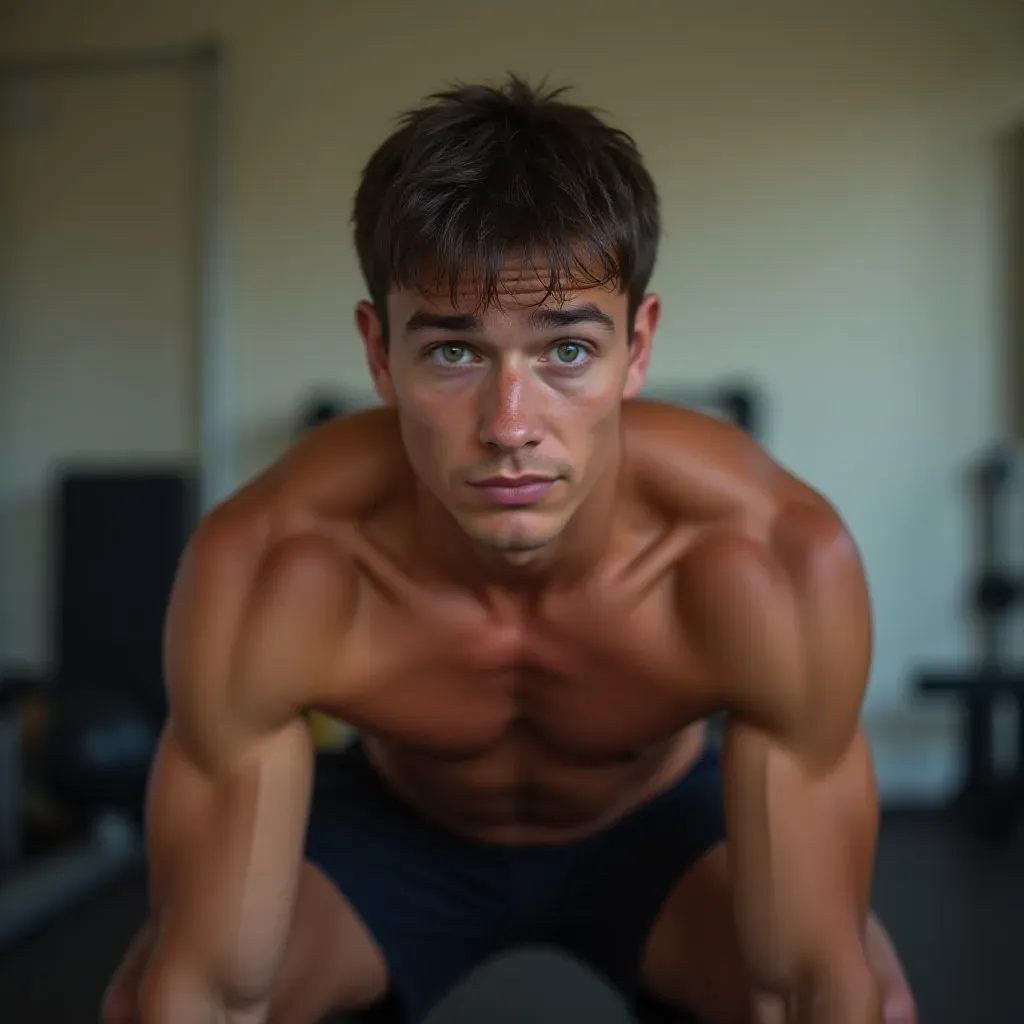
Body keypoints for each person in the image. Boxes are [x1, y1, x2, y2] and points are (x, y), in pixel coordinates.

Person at [102, 76, 916, 1024]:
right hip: (399, 832)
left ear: (637, 346)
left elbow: (808, 985)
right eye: (453, 353)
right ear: (380, 352)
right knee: (157, 997)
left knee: (859, 1001)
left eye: (567, 349)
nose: (509, 426)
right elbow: (206, 992)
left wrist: (838, 964)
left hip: (657, 830)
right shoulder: (274, 564)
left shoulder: (768, 560)